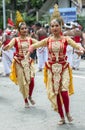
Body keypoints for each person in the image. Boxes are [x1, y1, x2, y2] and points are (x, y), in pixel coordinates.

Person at [28, 4, 85, 125]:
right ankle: (61, 116)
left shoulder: (66, 39)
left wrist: (81, 49)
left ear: (61, 26)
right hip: (51, 70)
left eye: (56, 26)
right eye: (52, 26)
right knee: (56, 93)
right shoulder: (48, 40)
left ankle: (68, 112)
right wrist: (30, 48)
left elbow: (77, 45)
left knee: (64, 91)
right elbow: (36, 45)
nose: (54, 28)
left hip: (63, 68)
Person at [3, 22, 38, 108]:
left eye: (25, 28)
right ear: (19, 30)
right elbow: (9, 46)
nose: (24, 30)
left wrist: (50, 41)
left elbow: (39, 43)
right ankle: (25, 100)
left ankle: (29, 96)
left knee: (32, 80)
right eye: (22, 29)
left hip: (28, 62)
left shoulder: (30, 39)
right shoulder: (15, 40)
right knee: (23, 83)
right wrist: (5, 47)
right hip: (19, 62)